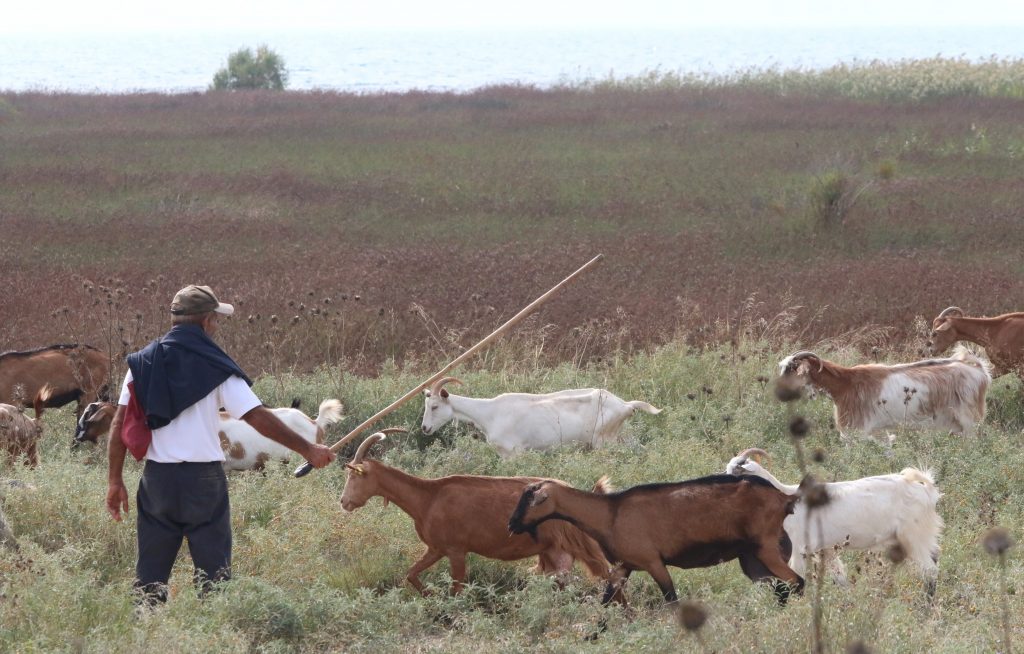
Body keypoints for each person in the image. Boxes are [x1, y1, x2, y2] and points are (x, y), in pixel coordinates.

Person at [105, 284, 335, 604]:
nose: (217, 326)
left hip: (157, 480)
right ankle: (215, 633)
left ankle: (146, 635)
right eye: (216, 320)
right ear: (206, 322)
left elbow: (118, 424)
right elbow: (256, 417)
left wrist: (115, 480)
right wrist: (308, 449)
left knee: (150, 579)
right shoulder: (216, 366)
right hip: (203, 482)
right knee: (215, 580)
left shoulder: (141, 365)